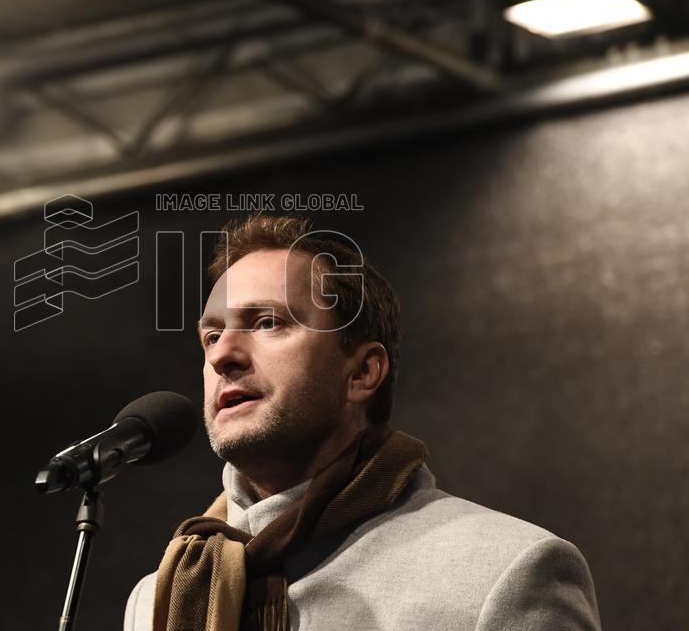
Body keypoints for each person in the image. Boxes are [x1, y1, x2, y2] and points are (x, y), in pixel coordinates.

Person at [124, 214, 600, 631]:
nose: (223, 355)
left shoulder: (505, 571)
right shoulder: (159, 598)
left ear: (362, 373)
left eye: (268, 322)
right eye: (211, 336)